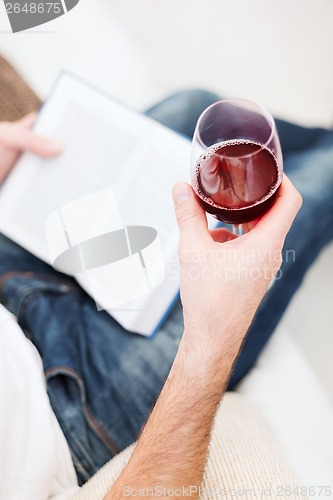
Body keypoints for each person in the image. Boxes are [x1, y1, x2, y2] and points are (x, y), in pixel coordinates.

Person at [0, 90, 332, 497]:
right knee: (321, 175)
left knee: (192, 107)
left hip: (7, 267)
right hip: (72, 408)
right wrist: (213, 337)